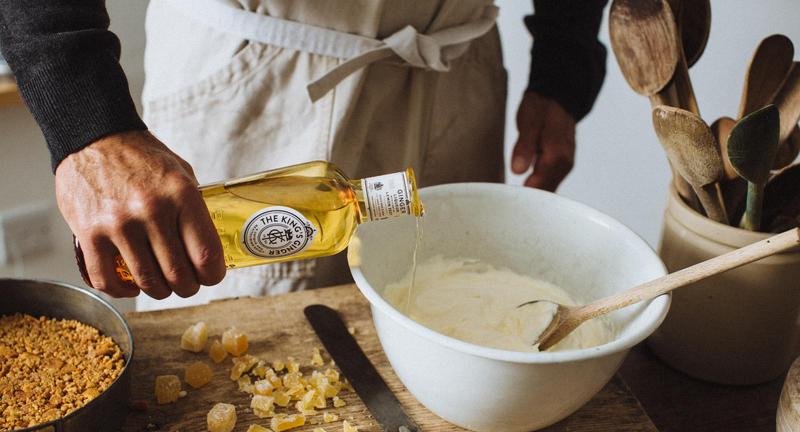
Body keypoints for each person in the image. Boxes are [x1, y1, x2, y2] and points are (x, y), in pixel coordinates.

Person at [0, 0, 607, 309]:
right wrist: (87, 122)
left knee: (449, 311)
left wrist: (564, 57)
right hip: (259, 70)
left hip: (454, 63)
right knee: (239, 367)